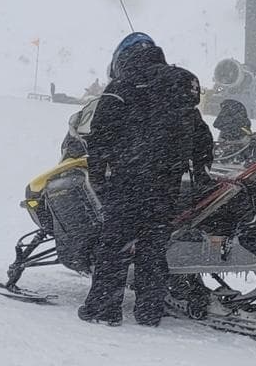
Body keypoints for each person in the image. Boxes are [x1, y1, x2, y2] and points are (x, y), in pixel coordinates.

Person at [78, 33, 182, 327]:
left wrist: (98, 177)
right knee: (153, 249)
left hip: (130, 181)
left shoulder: (120, 89)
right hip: (166, 184)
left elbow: (99, 138)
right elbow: (196, 133)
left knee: (114, 246)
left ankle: (103, 308)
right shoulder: (173, 88)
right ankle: (149, 312)